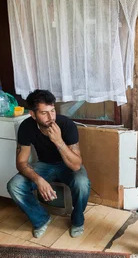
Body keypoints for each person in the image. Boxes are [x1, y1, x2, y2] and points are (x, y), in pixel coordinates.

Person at [7, 90, 91, 239]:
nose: (51, 117)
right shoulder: (26, 127)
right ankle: (41, 219)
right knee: (14, 185)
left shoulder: (66, 124)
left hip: (67, 165)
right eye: (44, 113)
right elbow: (20, 162)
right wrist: (38, 180)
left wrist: (59, 141)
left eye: (52, 111)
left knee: (82, 182)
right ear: (33, 114)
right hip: (44, 165)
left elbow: (76, 165)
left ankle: (77, 221)